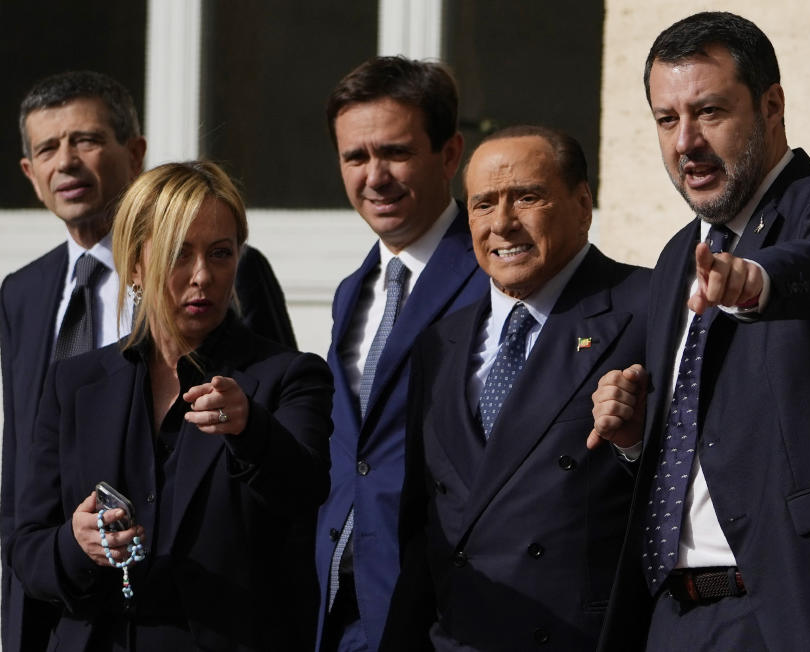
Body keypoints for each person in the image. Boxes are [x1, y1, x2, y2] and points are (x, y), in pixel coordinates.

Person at [590, 12, 810, 651]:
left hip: (797, 614)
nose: (685, 142)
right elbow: (709, 440)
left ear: (771, 105)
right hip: (674, 620)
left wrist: (756, 280)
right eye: (666, 119)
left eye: (709, 112)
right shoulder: (675, 259)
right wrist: (636, 440)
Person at [0, 70, 296, 652]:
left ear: (135, 153)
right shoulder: (21, 293)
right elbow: (22, 472)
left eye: (85, 140)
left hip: (201, 618)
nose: (67, 163)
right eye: (47, 149)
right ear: (30, 176)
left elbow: (277, 438)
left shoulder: (225, 272)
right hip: (62, 609)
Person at [379, 126, 650, 651]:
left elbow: (693, 484)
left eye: (527, 197)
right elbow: (422, 532)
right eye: (483, 204)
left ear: (582, 204)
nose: (502, 223)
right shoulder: (439, 342)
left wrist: (634, 444)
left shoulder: (649, 307)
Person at [315, 56, 487, 652]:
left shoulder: (494, 276)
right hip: (344, 607)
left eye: (394, 152)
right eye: (355, 158)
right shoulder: (350, 291)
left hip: (444, 614)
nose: (375, 176)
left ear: (449, 153)